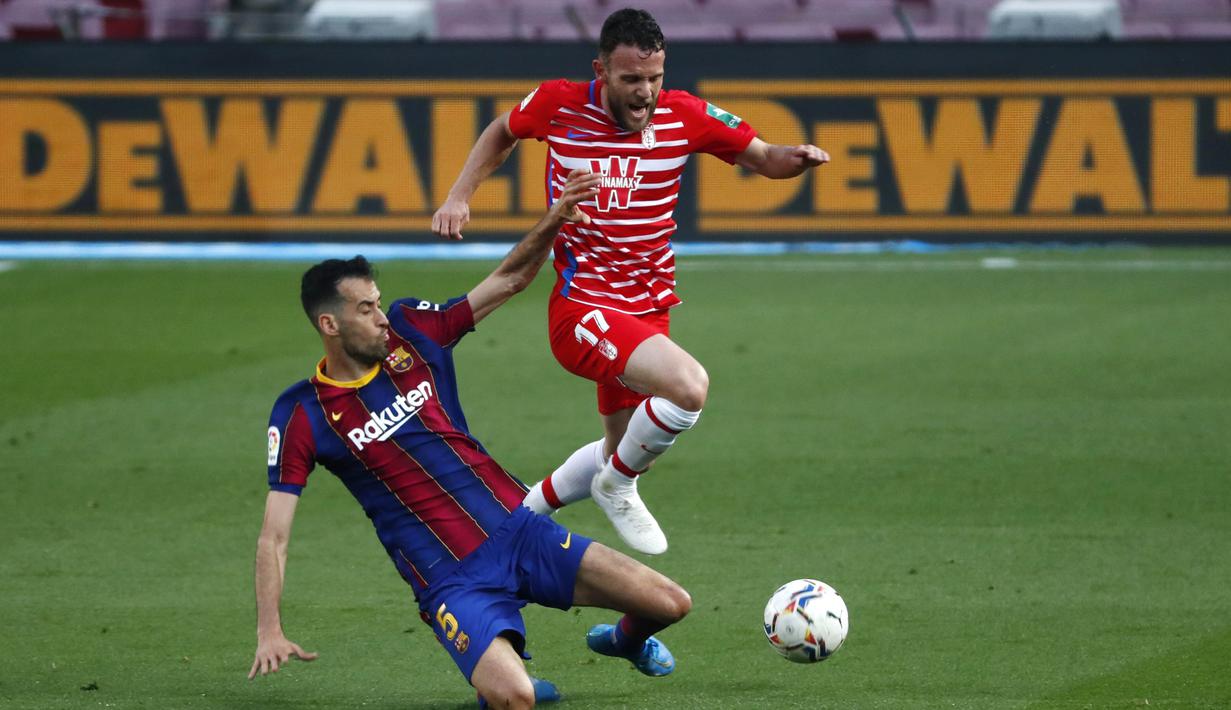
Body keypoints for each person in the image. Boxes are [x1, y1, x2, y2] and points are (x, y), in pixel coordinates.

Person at [249, 170, 693, 710]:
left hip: (519, 531)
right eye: (365, 310)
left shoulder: (413, 330)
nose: (382, 317)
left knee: (671, 604)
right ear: (330, 325)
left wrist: (553, 220)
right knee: (517, 700)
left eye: (379, 302)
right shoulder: (301, 413)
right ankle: (502, 682)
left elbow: (507, 280)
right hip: (450, 580)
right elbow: (274, 535)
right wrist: (269, 629)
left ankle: (623, 642)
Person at [432, 8, 829, 556]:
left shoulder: (684, 114)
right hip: (583, 307)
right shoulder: (558, 103)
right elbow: (502, 130)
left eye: (654, 78)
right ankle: (616, 485)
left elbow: (763, 157)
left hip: (648, 307)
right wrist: (459, 195)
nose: (645, 92)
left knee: (619, 446)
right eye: (631, 80)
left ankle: (519, 516)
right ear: (601, 71)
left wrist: (796, 159)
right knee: (688, 389)